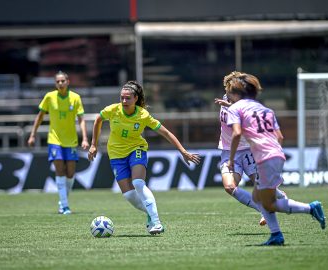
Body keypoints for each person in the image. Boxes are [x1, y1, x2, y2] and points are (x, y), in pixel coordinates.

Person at [88, 81, 201, 235]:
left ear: (136, 98)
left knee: (138, 183)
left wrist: (182, 151)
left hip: (137, 149)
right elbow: (98, 120)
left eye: (128, 98)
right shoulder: (112, 110)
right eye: (122, 98)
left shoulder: (143, 115)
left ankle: (156, 222)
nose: (124, 101)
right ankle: (150, 212)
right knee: (129, 195)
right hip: (115, 154)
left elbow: (166, 132)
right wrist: (93, 144)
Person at [225, 72, 326, 245]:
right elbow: (279, 136)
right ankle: (276, 235)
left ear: (235, 93)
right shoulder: (266, 110)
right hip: (276, 155)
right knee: (258, 198)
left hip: (265, 158)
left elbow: (237, 133)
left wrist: (232, 159)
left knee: (268, 203)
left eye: (229, 92)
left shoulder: (235, 108)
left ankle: (310, 209)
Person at [215, 71, 287, 227]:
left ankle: (280, 196)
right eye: (229, 89)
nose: (230, 92)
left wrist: (231, 106)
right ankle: (262, 210)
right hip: (228, 151)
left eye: (233, 89)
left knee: (261, 186)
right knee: (229, 186)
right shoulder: (226, 98)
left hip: (249, 150)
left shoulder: (245, 103)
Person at [28, 71, 89, 215]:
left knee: (70, 174)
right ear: (55, 84)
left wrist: (85, 138)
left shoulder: (75, 98)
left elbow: (81, 119)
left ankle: (63, 201)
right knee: (60, 170)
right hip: (54, 140)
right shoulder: (49, 97)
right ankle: (65, 206)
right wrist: (32, 134)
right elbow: (40, 116)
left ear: (68, 81)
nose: (60, 83)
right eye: (58, 81)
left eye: (63, 81)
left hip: (71, 140)